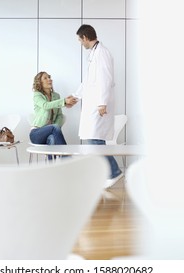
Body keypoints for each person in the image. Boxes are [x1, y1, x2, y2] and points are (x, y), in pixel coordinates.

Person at [75, 24, 123, 188]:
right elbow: (88, 82)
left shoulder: (102, 53)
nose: (81, 44)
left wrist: (102, 102)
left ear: (85, 37)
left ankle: (114, 171)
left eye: (80, 41)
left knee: (95, 140)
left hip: (99, 104)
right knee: (93, 140)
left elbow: (105, 79)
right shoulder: (94, 54)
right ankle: (106, 173)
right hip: (94, 103)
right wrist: (75, 96)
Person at [29, 71, 77, 159]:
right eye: (45, 78)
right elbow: (45, 105)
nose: (49, 79)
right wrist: (64, 101)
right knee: (54, 128)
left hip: (50, 132)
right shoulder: (37, 95)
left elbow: (59, 115)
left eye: (49, 77)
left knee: (52, 139)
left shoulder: (56, 96)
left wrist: (56, 128)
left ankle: (53, 167)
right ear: (40, 82)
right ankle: (67, 159)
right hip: (37, 133)